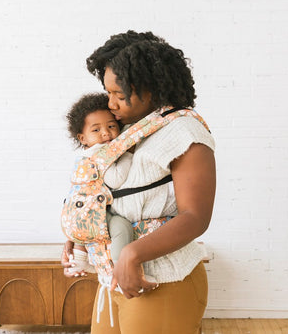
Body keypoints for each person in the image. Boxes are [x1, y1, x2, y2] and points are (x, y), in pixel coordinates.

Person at [62, 31, 216, 334]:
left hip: (163, 281)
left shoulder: (184, 132)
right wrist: (82, 228)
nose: (111, 104)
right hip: (114, 277)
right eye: (108, 94)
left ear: (152, 89)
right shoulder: (127, 131)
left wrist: (132, 253)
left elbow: (196, 217)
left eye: (120, 95)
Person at [64, 92, 137, 276]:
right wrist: (128, 154)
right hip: (92, 210)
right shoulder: (102, 152)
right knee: (121, 227)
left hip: (76, 213)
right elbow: (116, 179)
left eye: (111, 126)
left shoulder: (84, 156)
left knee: (86, 231)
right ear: (83, 138)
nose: (105, 133)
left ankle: (79, 261)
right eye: (96, 130)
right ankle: (121, 269)